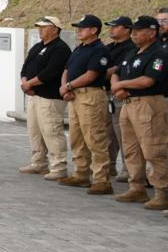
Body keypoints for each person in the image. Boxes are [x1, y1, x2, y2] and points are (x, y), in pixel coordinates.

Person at [110, 16, 168, 210]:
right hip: (128, 104)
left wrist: (121, 85)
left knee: (154, 149)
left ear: (152, 32)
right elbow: (116, 71)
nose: (134, 33)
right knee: (131, 148)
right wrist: (117, 86)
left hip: (149, 104)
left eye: (139, 30)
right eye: (133, 30)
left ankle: (162, 192)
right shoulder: (132, 52)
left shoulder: (159, 54)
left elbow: (148, 80)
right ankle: (137, 187)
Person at [58, 14, 113, 194]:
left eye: (82, 28)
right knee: (77, 137)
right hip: (75, 96)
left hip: (91, 96)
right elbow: (66, 69)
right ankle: (81, 174)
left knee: (95, 138)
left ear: (94, 30)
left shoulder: (99, 50)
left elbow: (91, 75)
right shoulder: (79, 48)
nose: (78, 31)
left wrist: (68, 86)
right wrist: (65, 87)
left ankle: (102, 180)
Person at [18, 16, 72, 180]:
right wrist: (25, 82)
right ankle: (39, 162)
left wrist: (30, 83)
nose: (40, 30)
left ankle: (59, 166)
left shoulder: (60, 49)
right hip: (34, 95)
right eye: (39, 27)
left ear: (55, 29)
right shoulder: (37, 47)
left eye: (44, 27)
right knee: (34, 131)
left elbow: (50, 72)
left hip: (50, 97)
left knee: (51, 131)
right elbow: (25, 68)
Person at [105, 16, 136, 182]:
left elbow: (117, 70)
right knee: (107, 133)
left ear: (127, 30)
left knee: (122, 133)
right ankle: (108, 165)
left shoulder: (131, 48)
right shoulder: (109, 47)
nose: (112, 29)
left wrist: (96, 73)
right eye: (111, 26)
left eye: (116, 26)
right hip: (106, 92)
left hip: (120, 93)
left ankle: (128, 168)